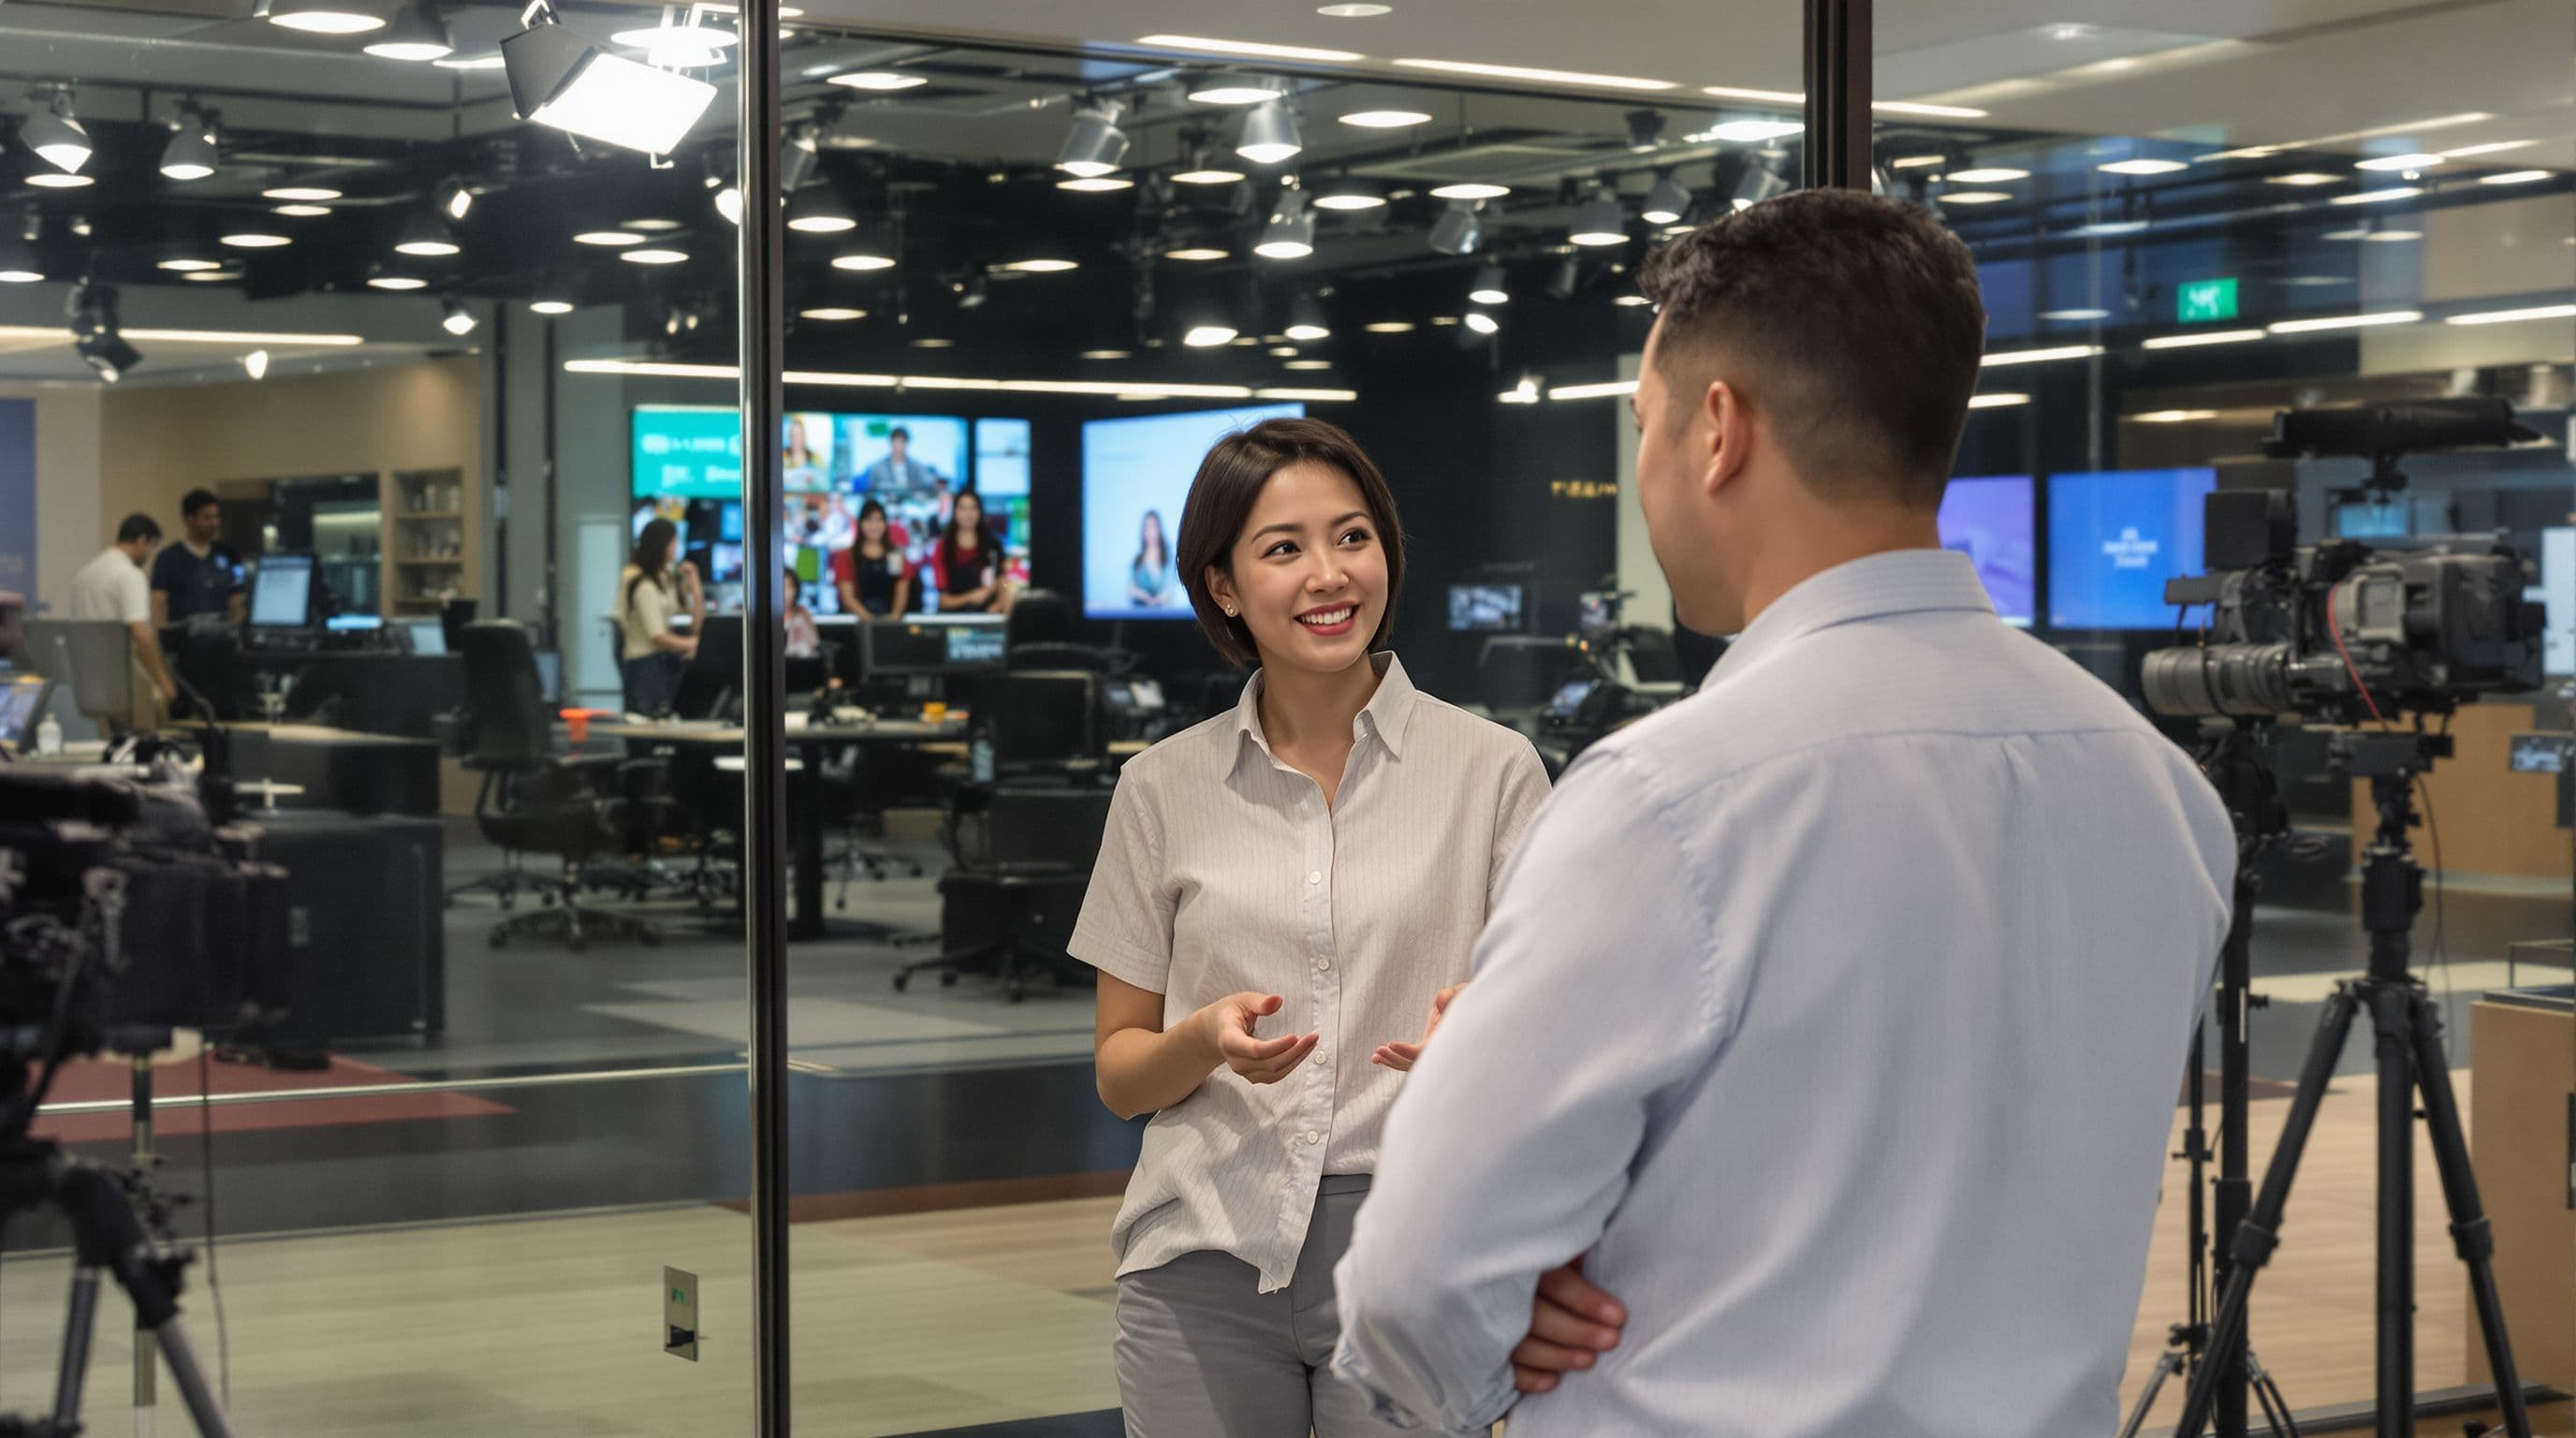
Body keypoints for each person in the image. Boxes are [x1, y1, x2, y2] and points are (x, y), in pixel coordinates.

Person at [1330, 189, 2236, 1436]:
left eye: (1640, 426)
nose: (1641, 468)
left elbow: (1416, 1281)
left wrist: (1493, 1345)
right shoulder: (2164, 795)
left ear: (1718, 431)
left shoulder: (1668, 806)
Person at [1069, 418, 1550, 1438]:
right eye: (1282, 549)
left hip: (1410, 1251)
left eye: (1352, 537)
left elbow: (1553, 1040)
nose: (1328, 575)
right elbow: (1119, 1077)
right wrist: (1201, 1041)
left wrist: (1487, 1042)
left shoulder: (1494, 771)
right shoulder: (1159, 788)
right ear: (1224, 587)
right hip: (1201, 1257)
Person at [69, 513, 180, 726]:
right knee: (142, 743)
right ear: (142, 540)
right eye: (151, 547)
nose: (149, 554)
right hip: (122, 679)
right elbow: (140, 634)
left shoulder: (85, 574)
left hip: (87, 680)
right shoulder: (129, 575)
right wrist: (163, 681)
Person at [619, 518, 702, 717]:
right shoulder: (643, 585)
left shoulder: (665, 581)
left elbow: (696, 622)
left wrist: (694, 584)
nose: (677, 548)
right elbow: (657, 636)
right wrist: (692, 644)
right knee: (649, 724)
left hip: (660, 663)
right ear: (662, 545)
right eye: (674, 542)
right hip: (644, 665)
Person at [151, 489, 244, 626]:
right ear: (190, 519)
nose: (214, 523)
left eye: (216, 517)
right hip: (182, 643)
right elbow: (158, 605)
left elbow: (237, 598)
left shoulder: (230, 554)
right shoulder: (167, 558)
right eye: (207, 518)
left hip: (222, 640)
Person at [832, 499, 914, 620]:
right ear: (860, 523)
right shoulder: (848, 556)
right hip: (856, 623)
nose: (874, 526)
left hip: (890, 621)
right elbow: (848, 598)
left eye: (879, 520)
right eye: (869, 520)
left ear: (886, 523)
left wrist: (894, 617)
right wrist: (871, 621)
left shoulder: (895, 555)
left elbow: (901, 591)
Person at [931, 490, 1006, 614]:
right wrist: (971, 597)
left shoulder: (993, 544)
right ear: (954, 511)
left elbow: (1003, 580)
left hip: (988, 617)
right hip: (953, 618)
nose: (968, 514)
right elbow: (943, 601)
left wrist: (1000, 603)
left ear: (980, 512)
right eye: (963, 508)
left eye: (973, 508)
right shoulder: (943, 547)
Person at [859, 426, 946, 492]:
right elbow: (870, 492)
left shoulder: (918, 467)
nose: (898, 447)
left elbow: (928, 485)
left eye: (901, 443)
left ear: (906, 444)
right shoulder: (877, 468)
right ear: (890, 444)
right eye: (895, 443)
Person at [1127, 508, 1175, 608]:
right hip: (1140, 613)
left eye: (1154, 526)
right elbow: (1130, 589)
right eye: (1147, 527)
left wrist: (1157, 600)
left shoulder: (1167, 558)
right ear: (1143, 531)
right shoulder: (1137, 561)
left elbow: (1170, 589)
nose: (1151, 531)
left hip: (1162, 614)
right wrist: (1144, 596)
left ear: (1159, 529)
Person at [783, 566, 821, 659]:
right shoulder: (767, 616)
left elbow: (815, 643)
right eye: (783, 587)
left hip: (801, 663)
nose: (787, 592)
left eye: (790, 587)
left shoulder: (802, 613)